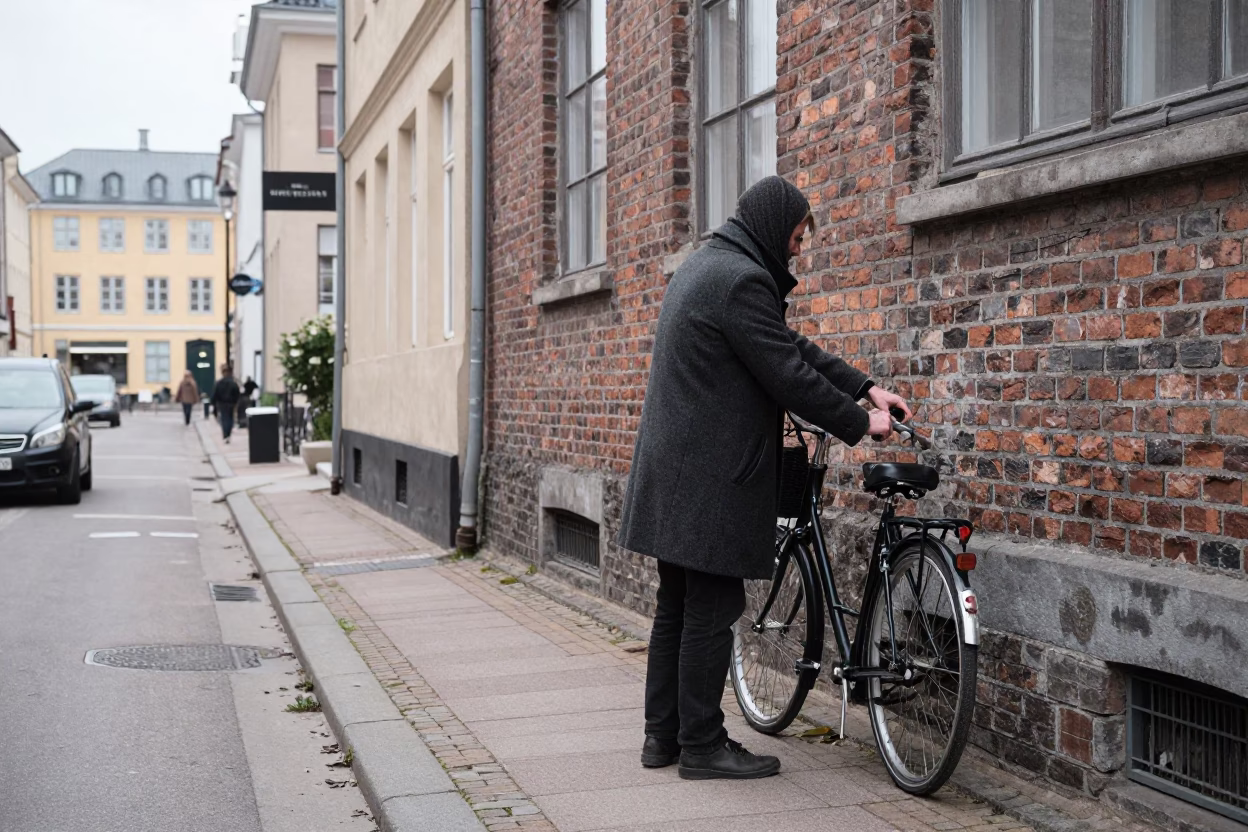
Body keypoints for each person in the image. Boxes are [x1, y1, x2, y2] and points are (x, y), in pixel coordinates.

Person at [617, 176, 911, 781]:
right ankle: (701, 746)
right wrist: (864, 422)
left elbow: (785, 344)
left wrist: (862, 385)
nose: (799, 250)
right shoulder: (742, 280)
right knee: (715, 606)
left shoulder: (710, 266)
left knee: (675, 604)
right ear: (776, 227)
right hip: (709, 476)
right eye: (799, 237)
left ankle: (661, 738)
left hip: (675, 469)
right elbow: (787, 374)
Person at [210, 365, 242, 444]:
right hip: (231, 403)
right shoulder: (233, 383)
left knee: (224, 419)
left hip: (222, 404)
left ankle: (225, 434)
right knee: (230, 418)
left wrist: (213, 403)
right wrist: (235, 402)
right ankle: (228, 433)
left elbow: (215, 394)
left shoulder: (219, 383)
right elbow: (237, 394)